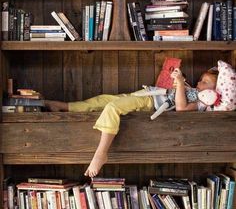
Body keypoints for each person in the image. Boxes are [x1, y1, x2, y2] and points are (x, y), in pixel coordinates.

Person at [45, 68, 218, 178]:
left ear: (214, 91)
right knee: (103, 100)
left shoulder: (202, 102)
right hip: (148, 94)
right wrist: (177, 80)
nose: (199, 82)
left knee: (113, 107)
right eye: (201, 79)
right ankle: (64, 106)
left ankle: (100, 153)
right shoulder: (194, 90)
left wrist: (180, 84)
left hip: (150, 102)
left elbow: (181, 108)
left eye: (205, 82)